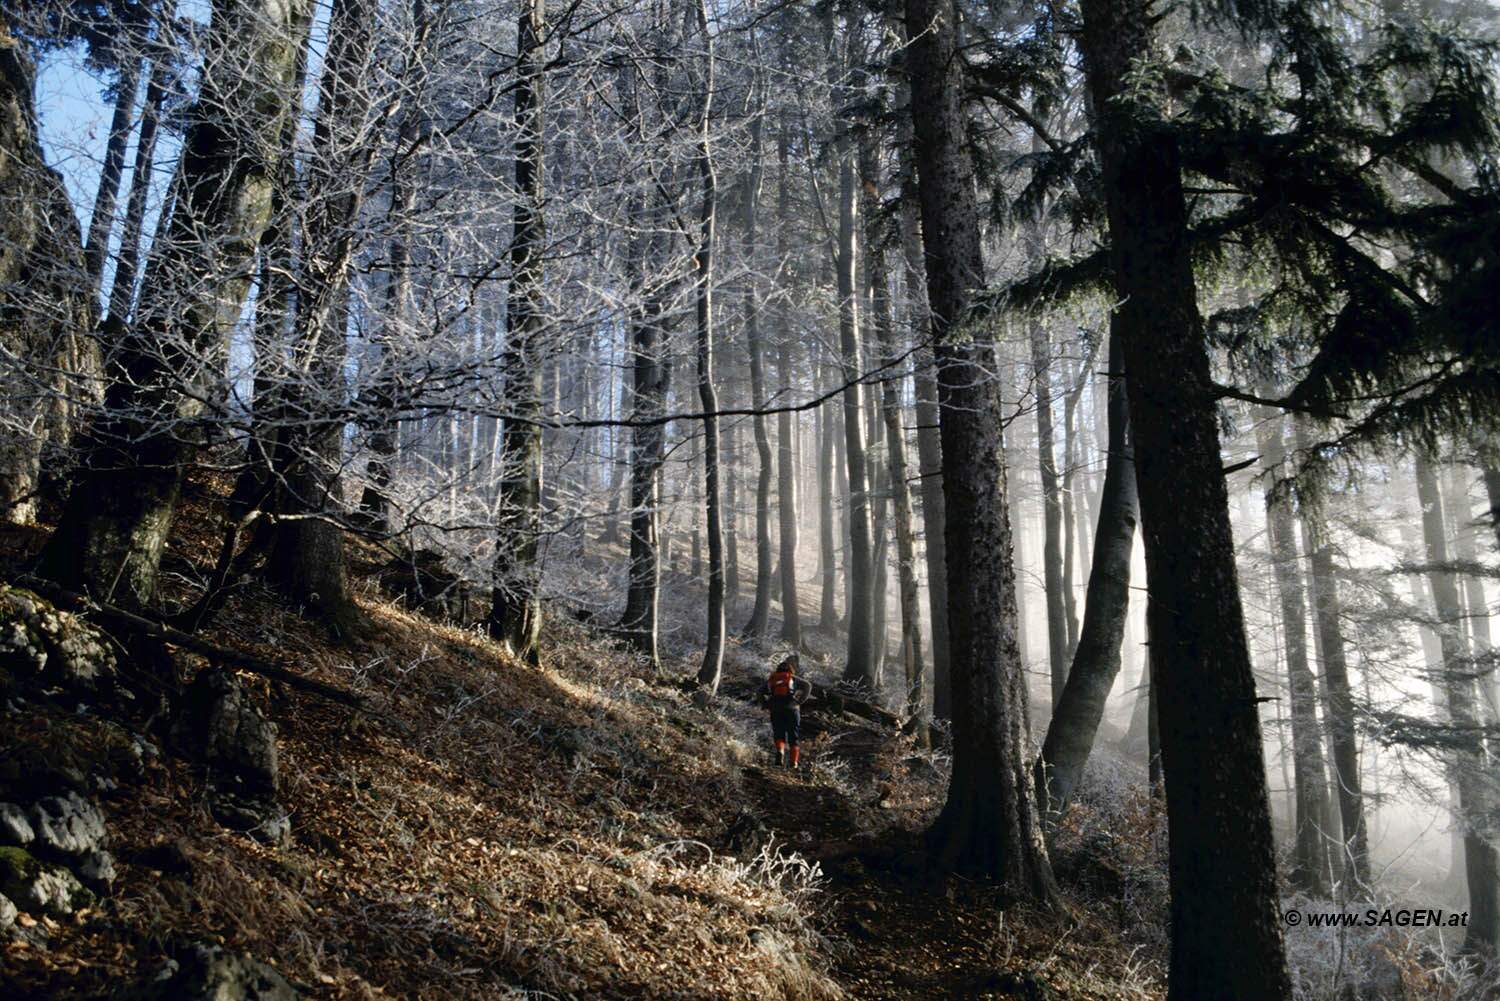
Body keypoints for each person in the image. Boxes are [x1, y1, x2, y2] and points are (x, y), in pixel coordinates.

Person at [761, 654, 811, 768]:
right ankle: (794, 762)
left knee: (779, 733)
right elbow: (808, 685)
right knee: (794, 735)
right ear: (791, 670)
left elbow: (759, 692)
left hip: (776, 709)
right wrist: (800, 700)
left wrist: (765, 704)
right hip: (792, 708)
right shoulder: (792, 678)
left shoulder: (772, 679)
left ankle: (780, 752)